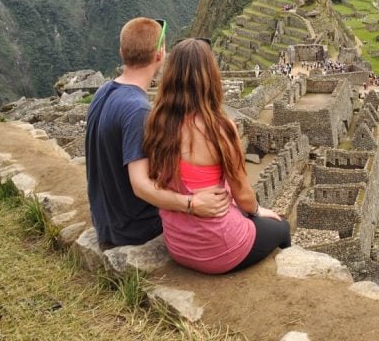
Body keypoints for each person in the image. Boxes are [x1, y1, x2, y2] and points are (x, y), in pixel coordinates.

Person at [143, 38, 291, 274]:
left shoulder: (156, 123)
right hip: (220, 247)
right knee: (282, 227)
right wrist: (257, 211)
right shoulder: (220, 129)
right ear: (211, 77)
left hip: (178, 246)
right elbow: (242, 194)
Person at [85, 18, 229, 246]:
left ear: (122, 52)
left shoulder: (103, 92)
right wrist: (191, 204)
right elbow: (140, 185)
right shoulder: (137, 110)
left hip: (105, 220)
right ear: (160, 56)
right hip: (134, 229)